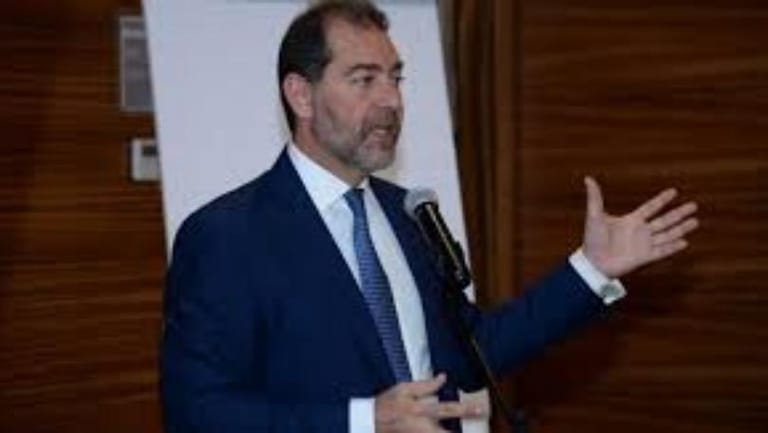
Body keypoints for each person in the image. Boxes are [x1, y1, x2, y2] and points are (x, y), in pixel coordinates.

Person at [159, 1, 699, 433]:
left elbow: (470, 351)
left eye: (395, 78)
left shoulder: (408, 214)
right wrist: (365, 421)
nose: (391, 101)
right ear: (301, 95)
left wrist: (590, 269)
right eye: (364, 79)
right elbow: (197, 412)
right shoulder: (226, 235)